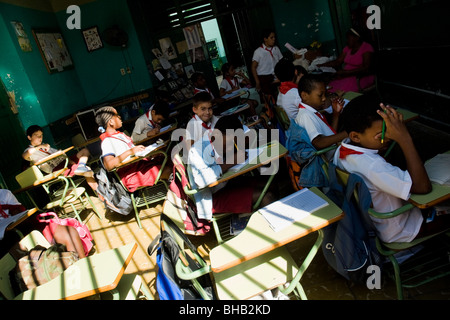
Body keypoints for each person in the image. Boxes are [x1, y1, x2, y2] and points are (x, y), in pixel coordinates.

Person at [334, 94, 450, 243]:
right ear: (356, 136)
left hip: (378, 223)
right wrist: (404, 137)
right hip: (402, 229)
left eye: (387, 130)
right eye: (380, 135)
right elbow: (423, 187)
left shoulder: (341, 149)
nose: (388, 137)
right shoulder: (372, 165)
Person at [187, 115, 276, 221]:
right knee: (266, 196)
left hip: (226, 183)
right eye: (229, 143)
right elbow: (201, 180)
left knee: (271, 184)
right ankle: (275, 228)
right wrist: (232, 161)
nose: (230, 146)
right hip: (211, 196)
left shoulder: (219, 140)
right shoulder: (197, 150)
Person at [95, 106, 171, 193]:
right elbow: (108, 165)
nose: (120, 117)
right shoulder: (108, 141)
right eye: (117, 115)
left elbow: (134, 152)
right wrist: (130, 152)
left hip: (140, 166)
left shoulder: (120, 135)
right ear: (111, 122)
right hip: (132, 175)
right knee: (168, 170)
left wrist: (148, 152)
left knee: (169, 158)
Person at [0, 189, 86, 259]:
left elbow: (20, 215)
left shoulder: (4, 194)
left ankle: (82, 267)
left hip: (25, 227)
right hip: (6, 242)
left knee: (69, 233)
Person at [22, 125, 98, 192]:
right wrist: (40, 146)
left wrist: (70, 161)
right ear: (29, 137)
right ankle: (101, 195)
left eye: (41, 135)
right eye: (36, 135)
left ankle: (81, 166)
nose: (40, 138)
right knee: (87, 170)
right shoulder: (31, 150)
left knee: (85, 151)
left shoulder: (45, 146)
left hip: (64, 162)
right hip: (56, 168)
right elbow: (24, 155)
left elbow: (61, 154)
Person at [295, 75, 347, 158]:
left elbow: (330, 136)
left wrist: (336, 114)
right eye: (320, 95)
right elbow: (318, 143)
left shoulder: (311, 112)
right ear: (304, 95)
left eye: (325, 95)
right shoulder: (305, 115)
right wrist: (347, 133)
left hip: (336, 151)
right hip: (334, 158)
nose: (324, 99)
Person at [318, 27, 375, 93]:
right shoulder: (347, 48)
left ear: (357, 38)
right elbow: (338, 61)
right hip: (346, 75)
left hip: (360, 77)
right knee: (330, 88)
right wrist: (321, 65)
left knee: (340, 92)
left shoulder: (366, 47)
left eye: (348, 38)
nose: (347, 41)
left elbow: (366, 68)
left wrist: (346, 73)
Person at [251, 29, 283, 96]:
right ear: (265, 39)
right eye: (271, 38)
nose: (274, 39)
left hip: (276, 75)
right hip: (264, 78)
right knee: (269, 97)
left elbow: (281, 62)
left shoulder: (276, 49)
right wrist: (257, 82)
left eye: (274, 37)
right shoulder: (258, 52)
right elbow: (253, 67)